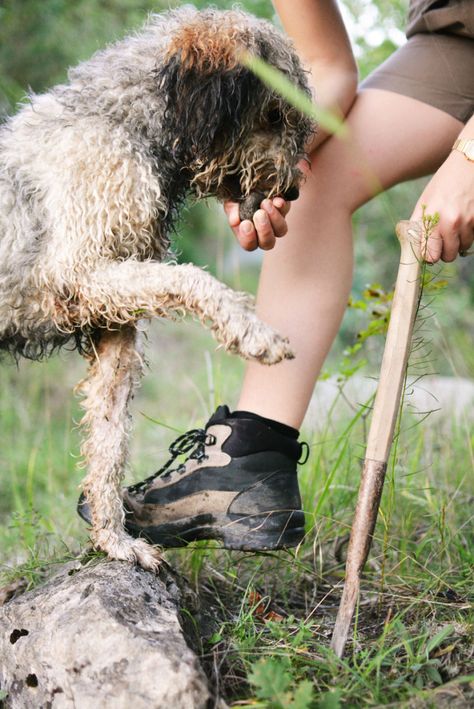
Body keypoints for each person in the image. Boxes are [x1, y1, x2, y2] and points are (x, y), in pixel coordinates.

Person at [79, 0, 474, 551]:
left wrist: (470, 157)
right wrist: (270, 160)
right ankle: (251, 459)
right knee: (312, 184)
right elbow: (327, 65)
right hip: (456, 39)